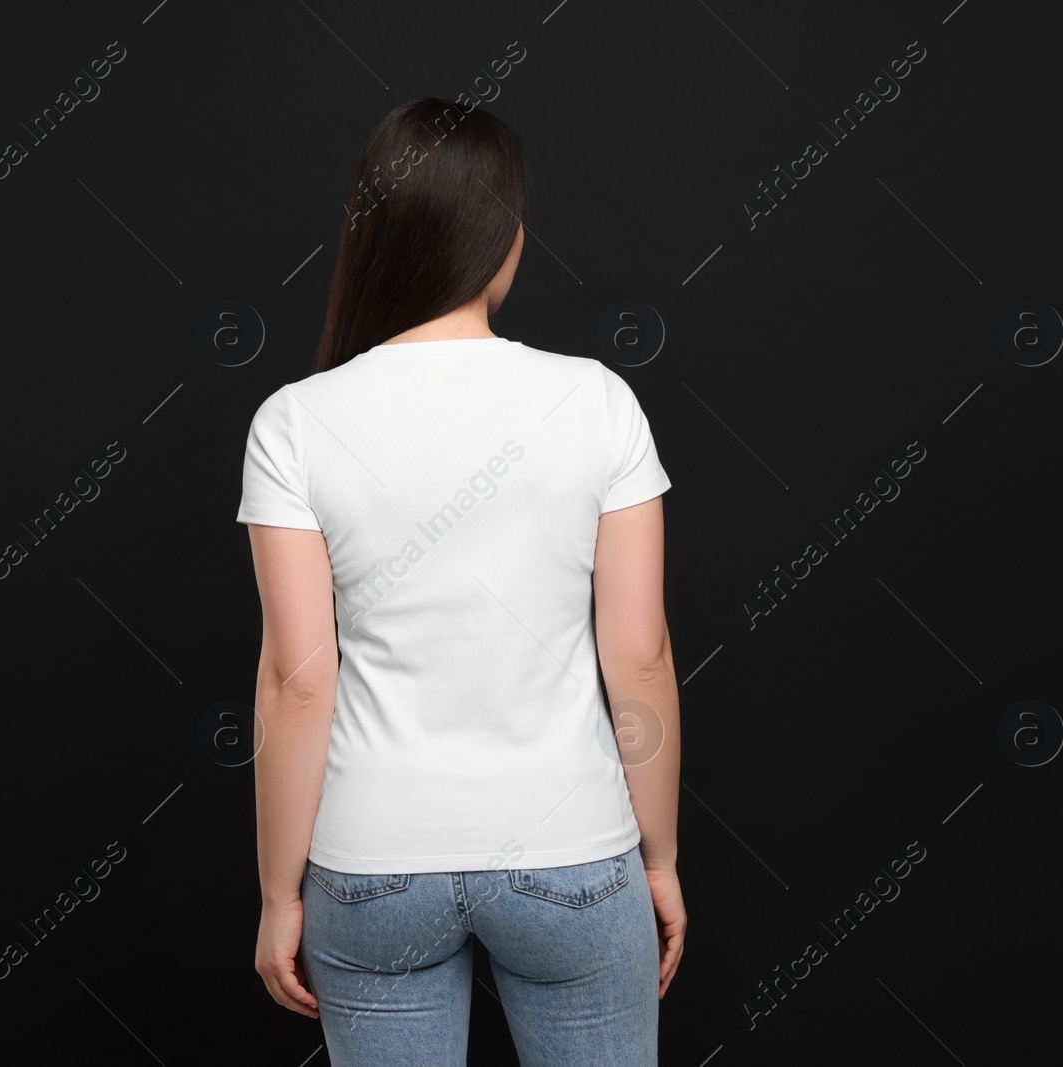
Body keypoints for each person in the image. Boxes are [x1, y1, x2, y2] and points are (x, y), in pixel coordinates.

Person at [241, 96, 685, 1066]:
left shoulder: (295, 421)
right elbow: (639, 656)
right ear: (502, 235)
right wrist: (657, 857)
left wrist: (281, 893)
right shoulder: (597, 402)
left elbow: (298, 679)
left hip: (370, 869)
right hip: (570, 851)